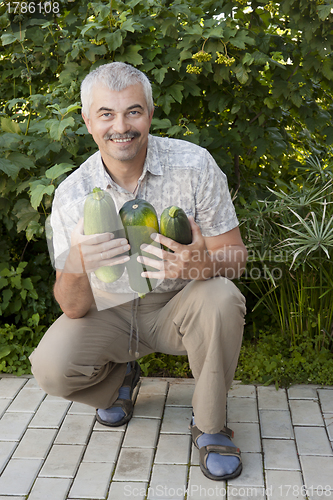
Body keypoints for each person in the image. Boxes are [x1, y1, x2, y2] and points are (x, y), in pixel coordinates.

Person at [29, 62, 247, 482]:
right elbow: (72, 307)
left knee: (222, 296)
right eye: (106, 114)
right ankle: (120, 380)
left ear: (149, 112)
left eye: (133, 111)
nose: (121, 126)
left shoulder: (194, 165)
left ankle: (211, 427)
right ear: (87, 121)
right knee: (51, 368)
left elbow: (235, 257)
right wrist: (75, 262)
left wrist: (201, 262)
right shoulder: (73, 195)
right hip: (110, 310)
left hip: (181, 304)